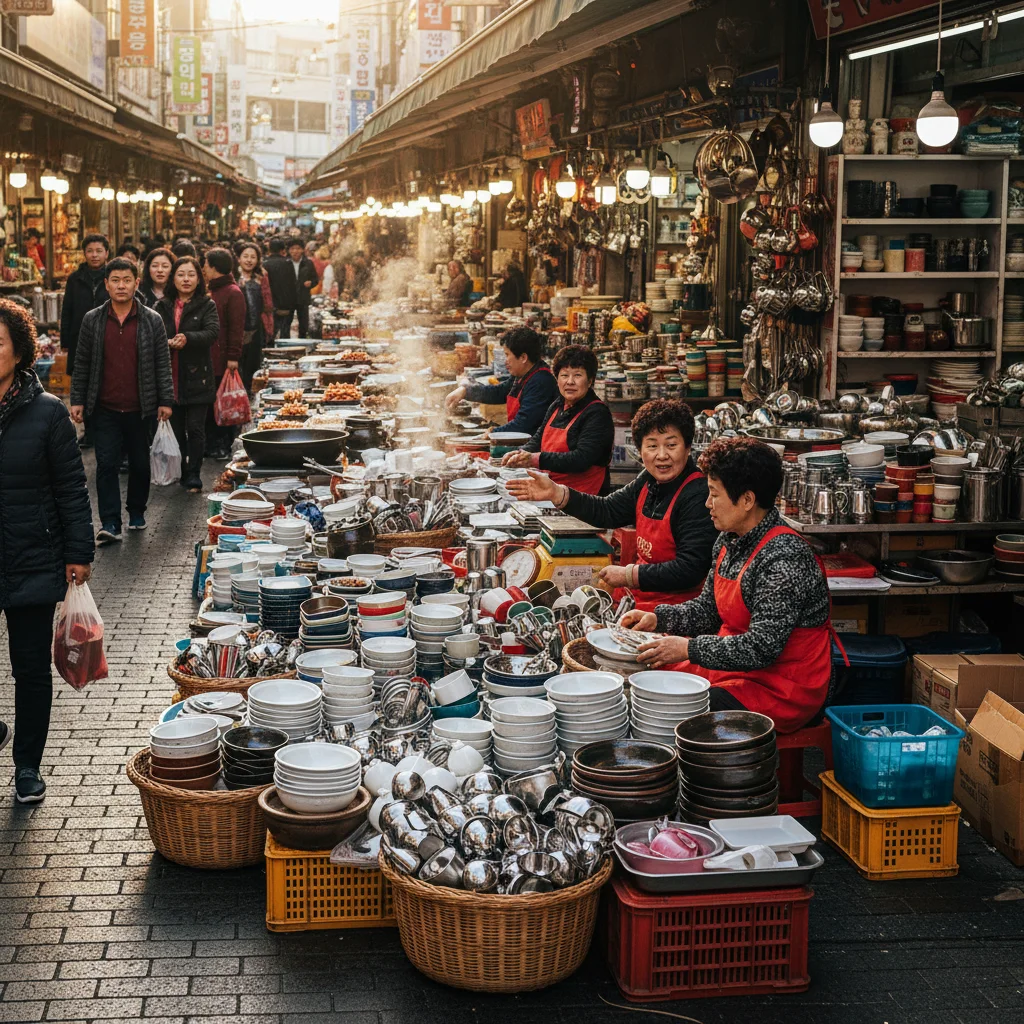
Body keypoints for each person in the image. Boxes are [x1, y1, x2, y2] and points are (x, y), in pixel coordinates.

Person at [621, 437, 840, 734]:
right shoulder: (729, 539)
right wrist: (659, 618)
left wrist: (689, 648)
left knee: (678, 710)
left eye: (714, 494)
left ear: (747, 500)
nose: (707, 504)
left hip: (784, 688)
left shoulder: (784, 558)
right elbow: (708, 610)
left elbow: (761, 648)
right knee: (640, 681)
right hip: (732, 666)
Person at [0, 300, 93, 803]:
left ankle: (27, 767)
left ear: (19, 351)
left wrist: (79, 552)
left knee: (30, 669)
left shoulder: (48, 413)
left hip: (32, 555)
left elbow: (72, 488)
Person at [506, 399, 717, 611]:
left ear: (688, 447)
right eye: (652, 446)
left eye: (671, 445)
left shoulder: (697, 495)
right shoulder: (649, 480)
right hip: (639, 602)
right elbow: (608, 510)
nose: (662, 455)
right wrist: (557, 493)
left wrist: (628, 575)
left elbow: (690, 569)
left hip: (676, 612)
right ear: (640, 450)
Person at [69, 257, 174, 541]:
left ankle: (137, 511)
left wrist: (166, 400)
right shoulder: (93, 320)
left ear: (137, 283)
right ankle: (110, 522)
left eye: (127, 280)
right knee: (106, 465)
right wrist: (77, 399)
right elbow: (82, 363)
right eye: (115, 280)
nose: (121, 286)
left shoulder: (151, 320)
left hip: (142, 408)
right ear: (106, 284)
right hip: (104, 408)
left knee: (140, 464)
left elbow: (162, 364)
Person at [502, 344, 613, 495]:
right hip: (553, 490)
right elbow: (539, 438)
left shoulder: (597, 413)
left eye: (578, 375)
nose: (570, 382)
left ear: (590, 380)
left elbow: (581, 459)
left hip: (585, 498)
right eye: (564, 375)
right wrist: (522, 453)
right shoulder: (557, 405)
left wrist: (535, 459)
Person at [156, 256, 219, 493]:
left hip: (197, 376)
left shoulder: (206, 304)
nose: (186, 279)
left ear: (199, 278)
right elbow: (153, 333)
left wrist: (188, 338)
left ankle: (194, 474)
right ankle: (180, 469)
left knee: (195, 428)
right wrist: (166, 342)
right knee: (176, 426)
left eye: (191, 274)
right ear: (174, 278)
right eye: (181, 274)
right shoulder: (162, 305)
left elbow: (212, 333)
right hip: (169, 375)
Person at [444, 327, 558, 437]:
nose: (505, 361)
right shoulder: (521, 375)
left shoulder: (541, 382)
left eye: (507, 355)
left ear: (523, 357)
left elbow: (523, 425)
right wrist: (465, 391)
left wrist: (494, 432)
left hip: (534, 450)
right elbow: (499, 392)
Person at [202, 247, 246, 459]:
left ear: (214, 267)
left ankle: (223, 444)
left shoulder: (232, 292)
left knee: (225, 403)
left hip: (223, 359)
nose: (203, 268)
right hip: (209, 357)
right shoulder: (211, 290)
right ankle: (212, 444)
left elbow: (236, 328)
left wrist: (233, 357)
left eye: (206, 264)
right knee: (212, 403)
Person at [60, 233, 110, 379]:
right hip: (79, 335)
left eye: (99, 251)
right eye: (90, 251)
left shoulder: (113, 277)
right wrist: (65, 340)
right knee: (81, 378)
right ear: (84, 253)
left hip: (106, 335)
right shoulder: (74, 279)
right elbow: (67, 310)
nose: (94, 255)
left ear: (106, 253)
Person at [236, 242, 275, 392]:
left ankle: (250, 394)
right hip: (239, 328)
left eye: (253, 257)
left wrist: (269, 327)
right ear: (238, 258)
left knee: (253, 364)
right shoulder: (233, 276)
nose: (249, 260)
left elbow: (268, 304)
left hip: (257, 327)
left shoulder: (261, 277)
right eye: (245, 256)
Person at [278, 238, 318, 338]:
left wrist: (311, 283)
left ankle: (303, 345)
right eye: (292, 249)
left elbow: (315, 279)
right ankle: (285, 346)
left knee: (303, 325)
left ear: (302, 250)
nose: (295, 251)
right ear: (289, 250)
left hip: (303, 298)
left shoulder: (308, 263)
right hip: (288, 299)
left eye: (298, 248)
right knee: (285, 325)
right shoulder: (284, 263)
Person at [263, 237, 295, 339]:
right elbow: (292, 284)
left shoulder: (265, 264)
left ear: (269, 249)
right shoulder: (288, 263)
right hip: (286, 304)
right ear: (283, 250)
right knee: (285, 333)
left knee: (271, 332)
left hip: (271, 304)